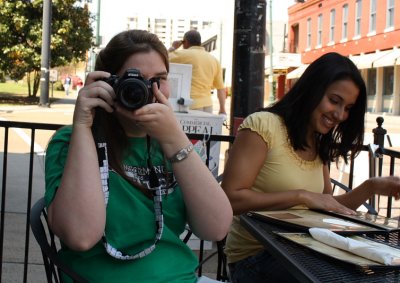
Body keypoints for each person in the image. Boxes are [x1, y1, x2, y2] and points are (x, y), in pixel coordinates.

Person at [44, 29, 233, 283]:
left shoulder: (171, 143)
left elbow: (216, 227)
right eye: (133, 80)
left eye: (159, 78)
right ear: (105, 83)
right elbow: (80, 236)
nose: (147, 90)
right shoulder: (72, 141)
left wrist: (174, 138)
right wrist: (82, 127)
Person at [221, 52, 400, 283]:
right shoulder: (263, 125)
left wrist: (370, 187)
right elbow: (230, 199)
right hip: (256, 256)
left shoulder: (317, 141)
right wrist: (302, 196)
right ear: (312, 90)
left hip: (303, 250)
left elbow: (325, 209)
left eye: (348, 108)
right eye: (334, 101)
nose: (339, 114)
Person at [169, 30, 227, 115]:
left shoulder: (181, 54)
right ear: (200, 42)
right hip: (208, 105)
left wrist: (173, 48)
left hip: (189, 104)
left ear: (185, 42)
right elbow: (220, 88)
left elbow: (162, 59)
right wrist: (222, 109)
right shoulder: (214, 60)